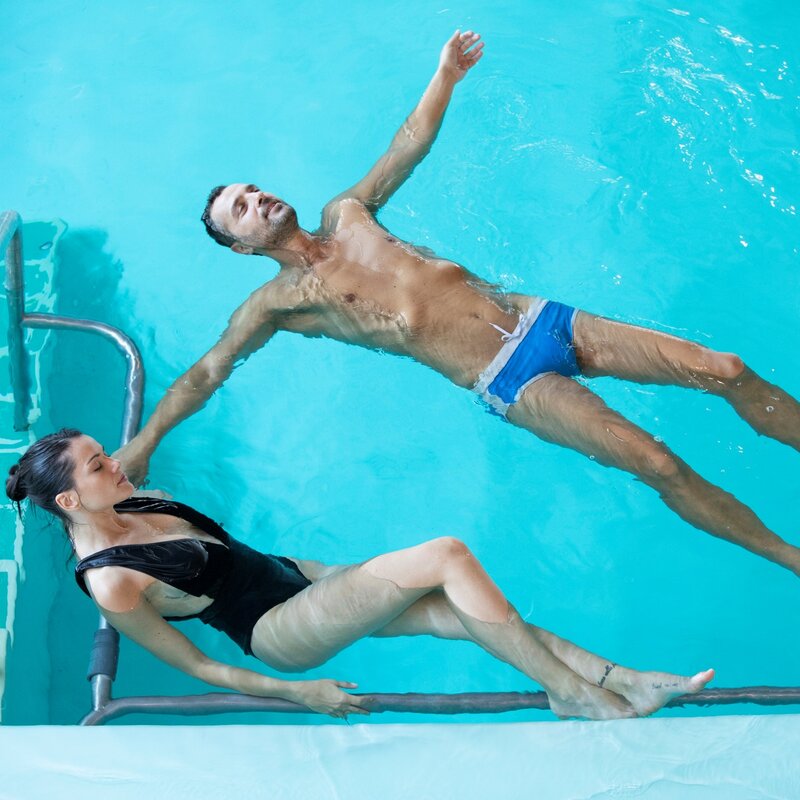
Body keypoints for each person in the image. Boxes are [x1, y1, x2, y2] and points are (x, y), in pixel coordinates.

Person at [117, 30, 800, 575]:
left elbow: (405, 146)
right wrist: (148, 438)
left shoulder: (347, 211)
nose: (258, 197)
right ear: (240, 247)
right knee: (659, 464)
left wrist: (444, 74)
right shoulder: (281, 304)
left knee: (728, 368)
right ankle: (789, 558)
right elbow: (210, 370)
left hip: (545, 319)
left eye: (253, 188)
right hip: (512, 380)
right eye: (241, 208)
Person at [6, 428, 713, 720]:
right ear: (69, 501)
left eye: (106, 451)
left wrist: (330, 574)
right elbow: (200, 664)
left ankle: (620, 679)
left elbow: (240, 551)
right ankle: (572, 694)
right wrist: (298, 692)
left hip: (298, 578)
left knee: (458, 609)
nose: (116, 463)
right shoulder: (112, 580)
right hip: (279, 630)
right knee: (447, 555)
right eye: (99, 464)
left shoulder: (132, 497)